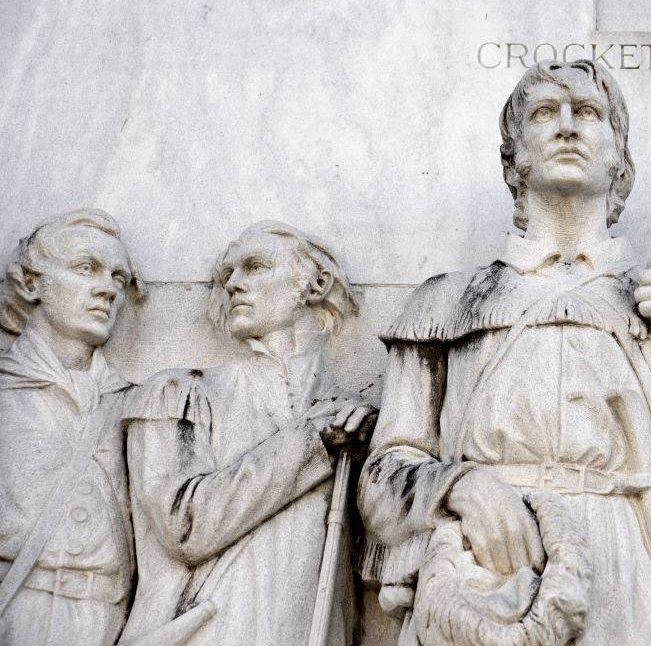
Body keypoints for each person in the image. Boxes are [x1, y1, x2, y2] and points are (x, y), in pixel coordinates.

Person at [359, 59, 651, 645]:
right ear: (515, 158)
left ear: (618, 157)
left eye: (587, 112)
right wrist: (460, 487)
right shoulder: (448, 302)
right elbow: (380, 479)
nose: (566, 126)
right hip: (494, 567)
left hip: (637, 571)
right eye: (543, 113)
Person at [120, 220, 375, 646]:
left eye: (255, 266)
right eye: (228, 274)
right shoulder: (181, 393)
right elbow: (186, 526)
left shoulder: (353, 416)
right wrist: (311, 442)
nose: (233, 283)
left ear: (315, 285)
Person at [0, 209, 144, 646]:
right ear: (32, 283)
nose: (107, 289)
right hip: (15, 607)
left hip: (106, 618)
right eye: (86, 268)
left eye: (118, 278)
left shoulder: (132, 400)